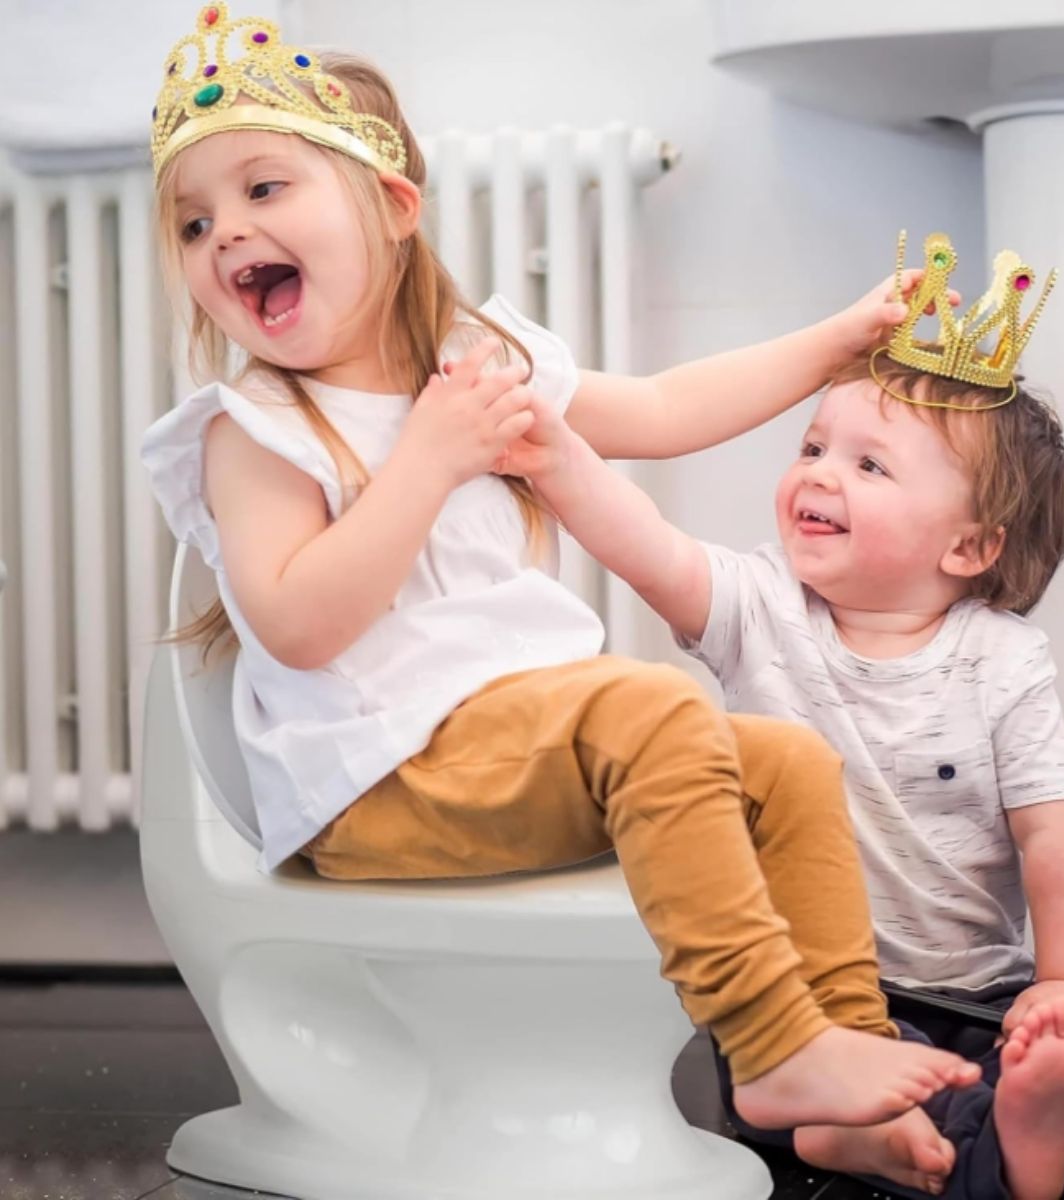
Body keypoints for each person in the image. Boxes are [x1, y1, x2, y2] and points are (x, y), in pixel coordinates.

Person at [139, 6, 982, 1137]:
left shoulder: (473, 362)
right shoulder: (255, 430)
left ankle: (847, 1070)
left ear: (392, 207)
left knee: (787, 762)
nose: (226, 234)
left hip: (502, 745)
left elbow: (668, 409)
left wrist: (837, 339)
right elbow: (294, 624)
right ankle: (770, 1043)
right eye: (194, 223)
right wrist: (429, 460)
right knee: (654, 710)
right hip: (375, 779)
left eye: (263, 189)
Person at [508, 250, 1064, 1198]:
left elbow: (1054, 834)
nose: (820, 475)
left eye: (868, 464)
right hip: (810, 1004)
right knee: (857, 1088)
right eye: (812, 450)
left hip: (983, 990)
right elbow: (644, 541)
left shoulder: (1004, 659)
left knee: (1044, 1068)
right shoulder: (758, 609)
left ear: (970, 544)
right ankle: (980, 1147)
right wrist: (554, 454)